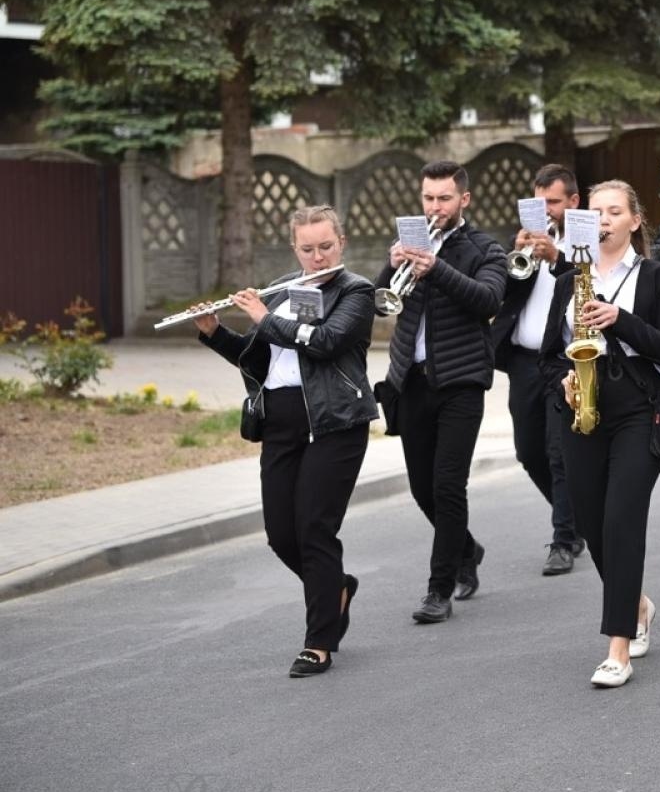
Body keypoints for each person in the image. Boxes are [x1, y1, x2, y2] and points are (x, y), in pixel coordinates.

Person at [192, 205, 376, 677]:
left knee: (314, 529)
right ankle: (335, 587)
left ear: (342, 242)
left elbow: (325, 341)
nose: (317, 257)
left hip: (335, 422)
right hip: (281, 422)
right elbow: (260, 359)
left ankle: (319, 641)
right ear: (295, 248)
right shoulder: (281, 290)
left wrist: (261, 316)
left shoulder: (355, 291)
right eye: (308, 248)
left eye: (326, 247)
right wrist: (215, 334)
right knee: (280, 534)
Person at [542, 181, 660, 688]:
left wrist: (618, 319)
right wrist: (562, 376)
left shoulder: (658, 278)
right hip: (582, 408)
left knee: (623, 519)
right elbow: (544, 356)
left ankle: (617, 647)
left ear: (633, 221)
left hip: (637, 409)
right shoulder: (568, 279)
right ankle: (638, 604)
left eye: (613, 212)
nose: (603, 219)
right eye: (595, 212)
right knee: (591, 522)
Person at [378, 160, 508, 624]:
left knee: (448, 486)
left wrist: (435, 269)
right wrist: (389, 266)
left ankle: (439, 589)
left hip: (461, 381)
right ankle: (467, 549)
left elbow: (489, 300)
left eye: (444, 198)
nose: (435, 207)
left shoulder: (484, 248)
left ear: (464, 200)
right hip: (411, 380)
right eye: (429, 198)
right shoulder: (413, 242)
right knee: (421, 488)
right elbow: (381, 301)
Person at [490, 164, 585, 575]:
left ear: (573, 202)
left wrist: (558, 256)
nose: (546, 210)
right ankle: (578, 519)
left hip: (565, 358)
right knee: (528, 452)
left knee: (557, 450)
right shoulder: (525, 242)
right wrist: (518, 258)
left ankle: (563, 539)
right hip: (525, 361)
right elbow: (503, 295)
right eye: (540, 202)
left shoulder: (584, 236)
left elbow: (589, 281)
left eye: (554, 202)